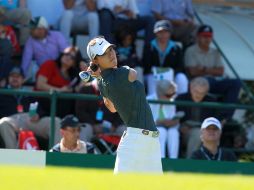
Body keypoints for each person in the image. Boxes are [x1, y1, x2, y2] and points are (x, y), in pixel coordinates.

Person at [85, 36, 162, 173]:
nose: (111, 54)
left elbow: (112, 108)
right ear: (95, 60)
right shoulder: (119, 73)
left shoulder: (102, 82)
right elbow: (133, 73)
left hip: (146, 141)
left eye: (110, 49)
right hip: (136, 140)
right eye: (104, 53)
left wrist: (98, 75)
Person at [184, 24, 241, 121]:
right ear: (198, 37)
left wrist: (204, 69)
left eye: (209, 36)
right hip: (198, 82)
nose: (207, 39)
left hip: (214, 81)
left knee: (236, 83)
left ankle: (225, 117)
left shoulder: (215, 52)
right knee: (203, 81)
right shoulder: (190, 50)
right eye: (204, 36)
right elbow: (193, 72)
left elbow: (221, 71)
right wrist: (212, 70)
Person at [0, 66, 61, 149]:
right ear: (8, 78)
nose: (15, 79)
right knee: (4, 123)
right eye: (12, 76)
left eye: (18, 76)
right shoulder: (2, 92)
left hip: (30, 119)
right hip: (12, 120)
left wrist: (38, 115)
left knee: (56, 121)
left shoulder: (30, 93)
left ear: (23, 79)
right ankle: (12, 158)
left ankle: (55, 156)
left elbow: (40, 109)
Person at [142, 20, 188, 95]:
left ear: (170, 33)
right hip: (153, 76)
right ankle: (152, 104)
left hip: (171, 76)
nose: (163, 34)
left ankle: (181, 103)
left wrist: (169, 73)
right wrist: (159, 72)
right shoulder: (148, 47)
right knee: (151, 77)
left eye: (166, 32)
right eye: (160, 32)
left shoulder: (176, 48)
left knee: (181, 77)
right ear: (155, 33)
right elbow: (146, 66)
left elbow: (180, 67)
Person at [176, 77, 216, 158]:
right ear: (190, 88)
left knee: (198, 133)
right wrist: (180, 126)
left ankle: (190, 162)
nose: (198, 95)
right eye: (196, 92)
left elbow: (212, 121)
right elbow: (174, 117)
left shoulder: (211, 101)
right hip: (183, 131)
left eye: (202, 93)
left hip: (202, 131)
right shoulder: (180, 99)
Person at [35, 46, 81, 118]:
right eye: (66, 54)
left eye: (72, 57)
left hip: (59, 108)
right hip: (41, 104)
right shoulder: (50, 64)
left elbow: (77, 89)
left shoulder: (72, 75)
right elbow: (40, 85)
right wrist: (60, 90)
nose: (68, 57)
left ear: (74, 63)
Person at [147, 79, 180, 159]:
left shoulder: (172, 102)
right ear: (160, 93)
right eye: (169, 95)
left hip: (167, 129)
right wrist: (156, 122)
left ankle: (173, 160)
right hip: (149, 131)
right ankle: (161, 159)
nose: (172, 97)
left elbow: (173, 120)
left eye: (174, 94)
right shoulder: (148, 100)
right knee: (161, 131)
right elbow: (143, 122)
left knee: (174, 132)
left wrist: (174, 123)